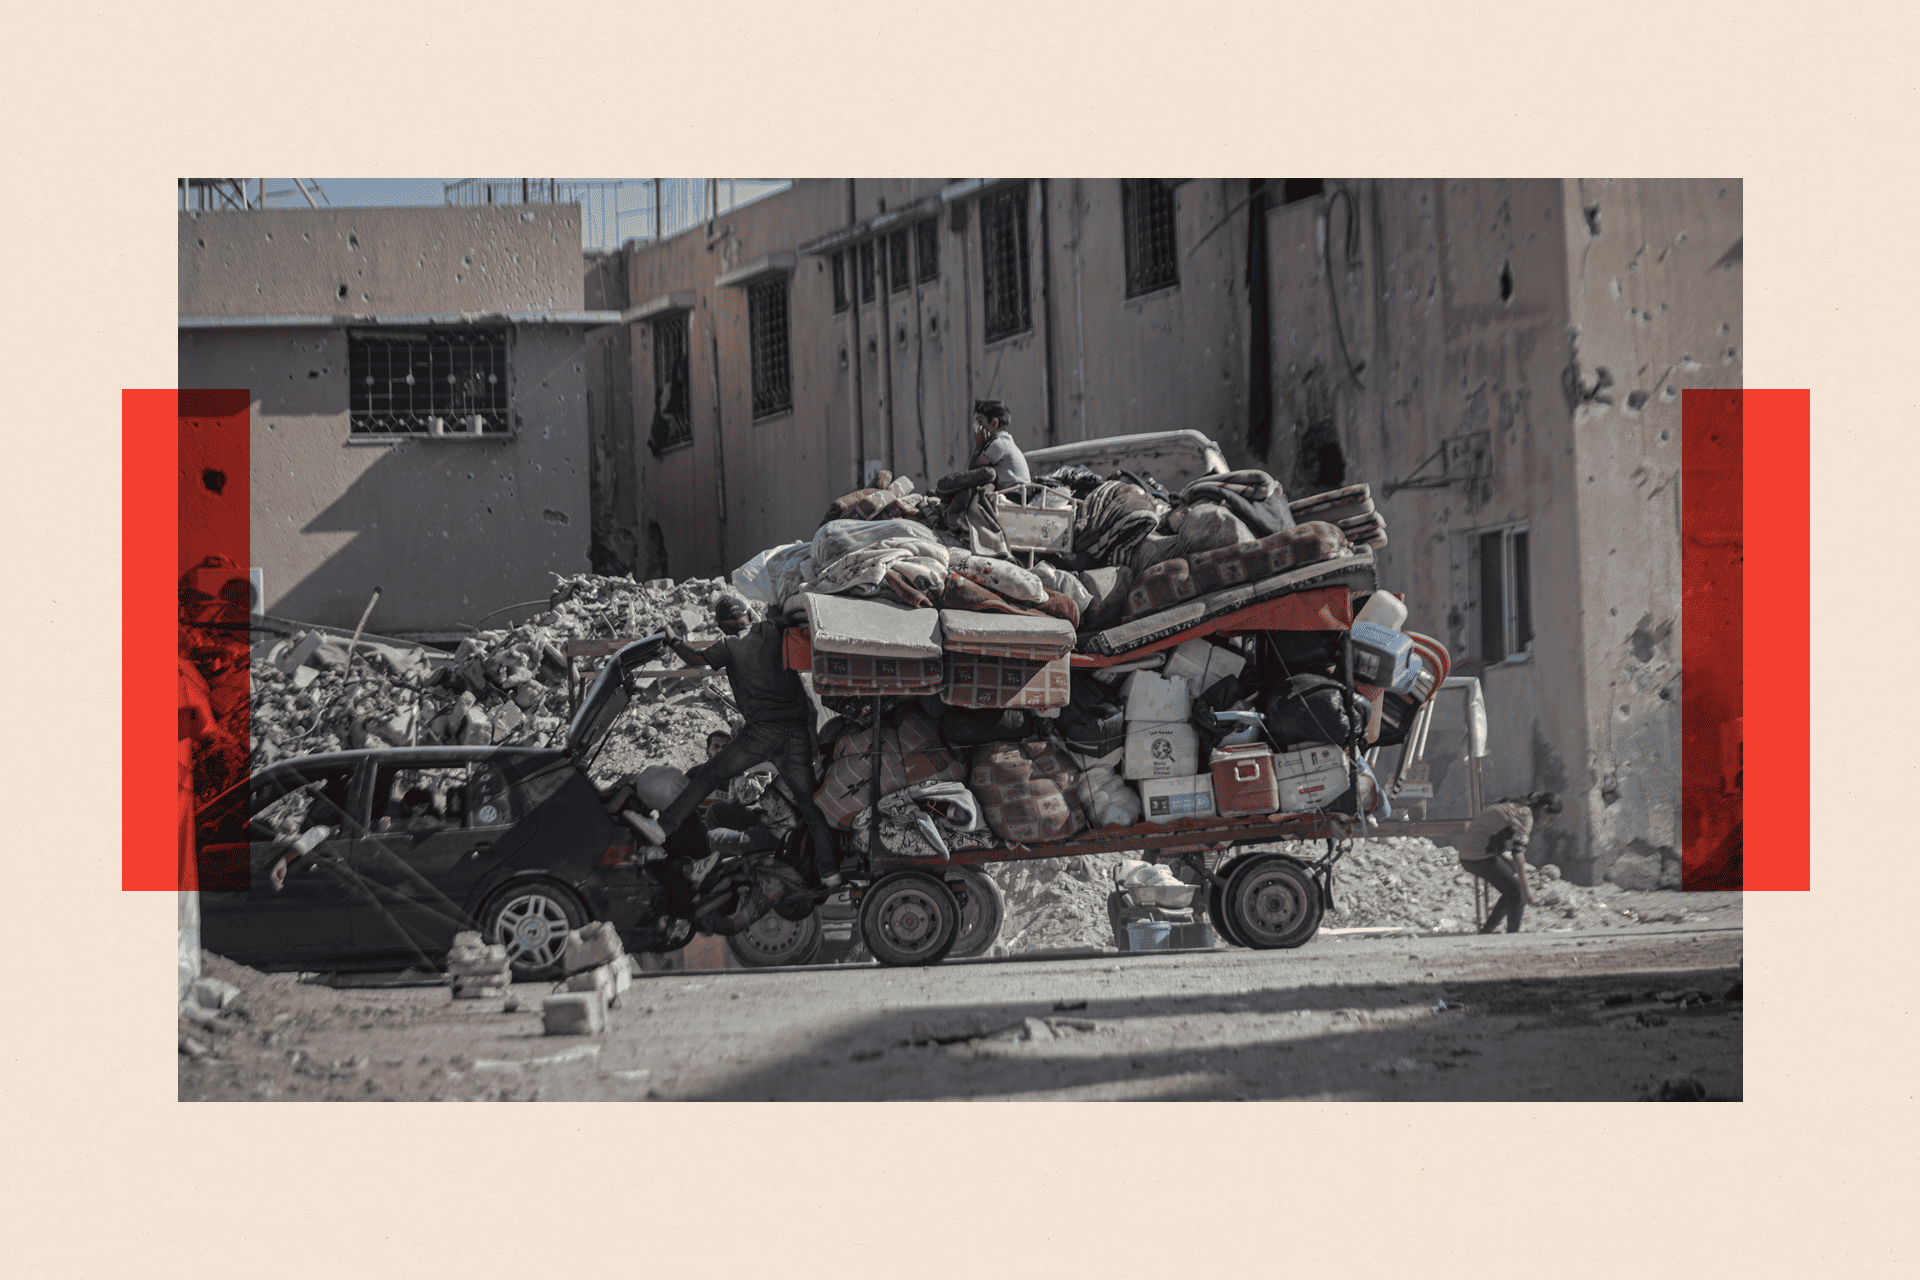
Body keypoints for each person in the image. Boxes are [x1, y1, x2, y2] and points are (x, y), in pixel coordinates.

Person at [634, 594, 846, 888]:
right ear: (750, 614)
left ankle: (662, 828)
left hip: (761, 732)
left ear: (722, 626)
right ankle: (830, 871)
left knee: (709, 775)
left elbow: (696, 660)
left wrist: (672, 639)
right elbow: (793, 614)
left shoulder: (728, 646)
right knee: (810, 805)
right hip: (795, 732)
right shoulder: (772, 629)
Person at [1460, 791, 1562, 934]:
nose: (1548, 824)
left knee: (1511, 890)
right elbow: (1518, 853)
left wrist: (1503, 857)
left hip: (1471, 853)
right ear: (1544, 809)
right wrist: (1526, 889)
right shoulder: (1526, 817)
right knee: (1517, 892)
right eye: (1550, 819)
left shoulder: (1516, 808)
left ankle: (1487, 931)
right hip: (1477, 855)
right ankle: (1513, 936)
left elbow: (1490, 832)